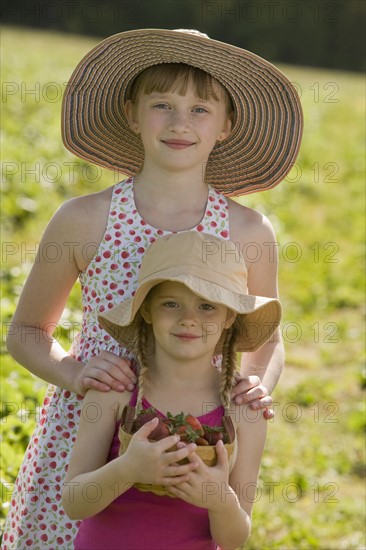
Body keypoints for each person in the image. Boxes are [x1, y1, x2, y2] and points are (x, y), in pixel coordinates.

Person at [3, 29, 302, 548]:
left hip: (192, 426)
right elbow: (26, 331)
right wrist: (73, 372)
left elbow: (267, 336)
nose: (180, 122)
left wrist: (255, 385)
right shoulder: (84, 218)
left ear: (227, 124)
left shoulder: (248, 230)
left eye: (200, 109)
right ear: (131, 114)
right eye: (161, 104)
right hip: (89, 423)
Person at [62, 231, 282, 549]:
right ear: (147, 311)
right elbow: (74, 503)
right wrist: (127, 470)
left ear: (229, 318)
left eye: (207, 306)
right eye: (171, 303)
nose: (189, 319)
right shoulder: (115, 393)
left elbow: (233, 539)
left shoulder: (243, 410)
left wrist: (219, 500)